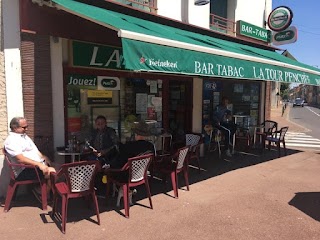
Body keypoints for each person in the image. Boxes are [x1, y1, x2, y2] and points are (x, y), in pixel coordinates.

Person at [4, 117, 56, 197]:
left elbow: (35, 151)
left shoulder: (24, 136)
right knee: (52, 172)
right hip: (24, 170)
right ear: (15, 128)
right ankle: (42, 193)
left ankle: (48, 192)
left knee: (61, 168)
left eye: (27, 126)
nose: (27, 129)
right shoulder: (11, 140)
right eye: (24, 127)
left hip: (35, 166)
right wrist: (39, 164)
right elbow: (20, 159)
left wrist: (44, 158)